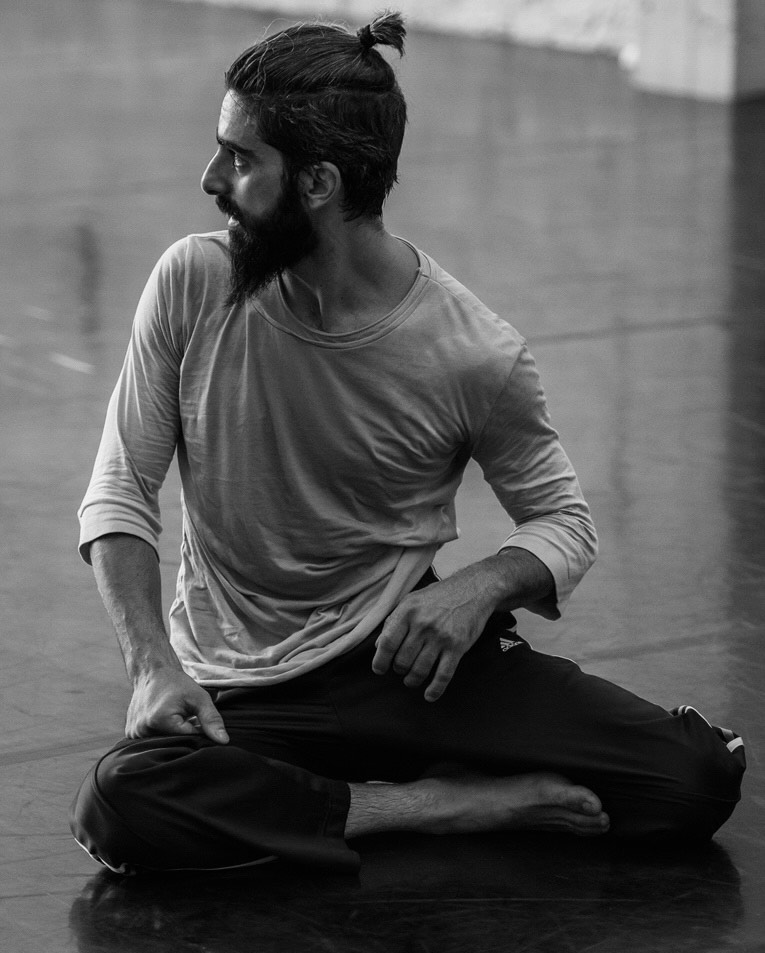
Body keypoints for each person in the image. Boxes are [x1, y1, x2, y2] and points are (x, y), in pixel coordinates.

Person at [70, 13, 745, 876]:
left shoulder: (469, 350)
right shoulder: (191, 282)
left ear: (317, 182)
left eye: (239, 159)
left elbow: (563, 521)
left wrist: (475, 588)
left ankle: (320, 801)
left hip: (406, 659)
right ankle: (433, 804)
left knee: (691, 780)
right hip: (240, 682)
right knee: (122, 801)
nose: (210, 179)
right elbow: (120, 488)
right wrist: (151, 667)